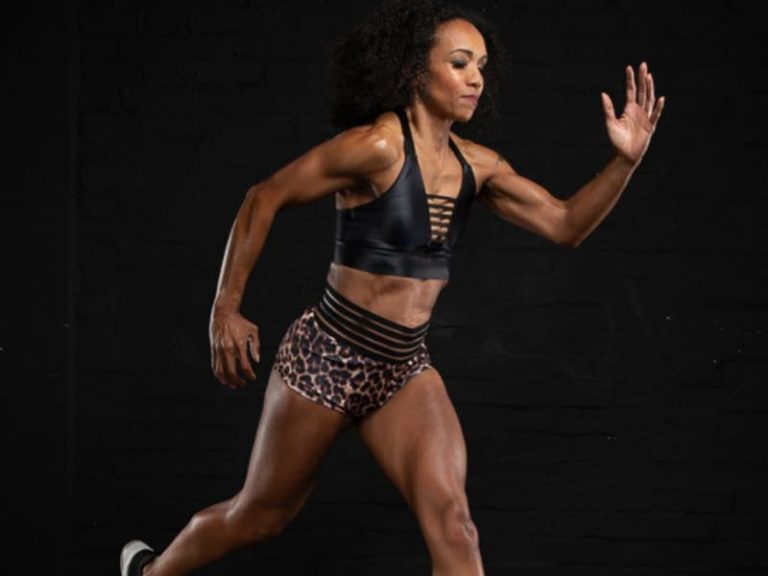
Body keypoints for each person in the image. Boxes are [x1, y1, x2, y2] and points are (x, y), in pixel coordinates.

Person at [120, 0, 665, 574]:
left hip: (403, 367)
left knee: (455, 526)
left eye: (481, 65)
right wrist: (225, 309)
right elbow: (264, 196)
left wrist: (624, 163)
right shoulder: (378, 146)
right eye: (459, 63)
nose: (476, 77)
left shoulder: (477, 165)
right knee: (260, 517)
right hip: (327, 357)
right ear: (414, 70)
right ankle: (150, 572)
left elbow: (565, 224)